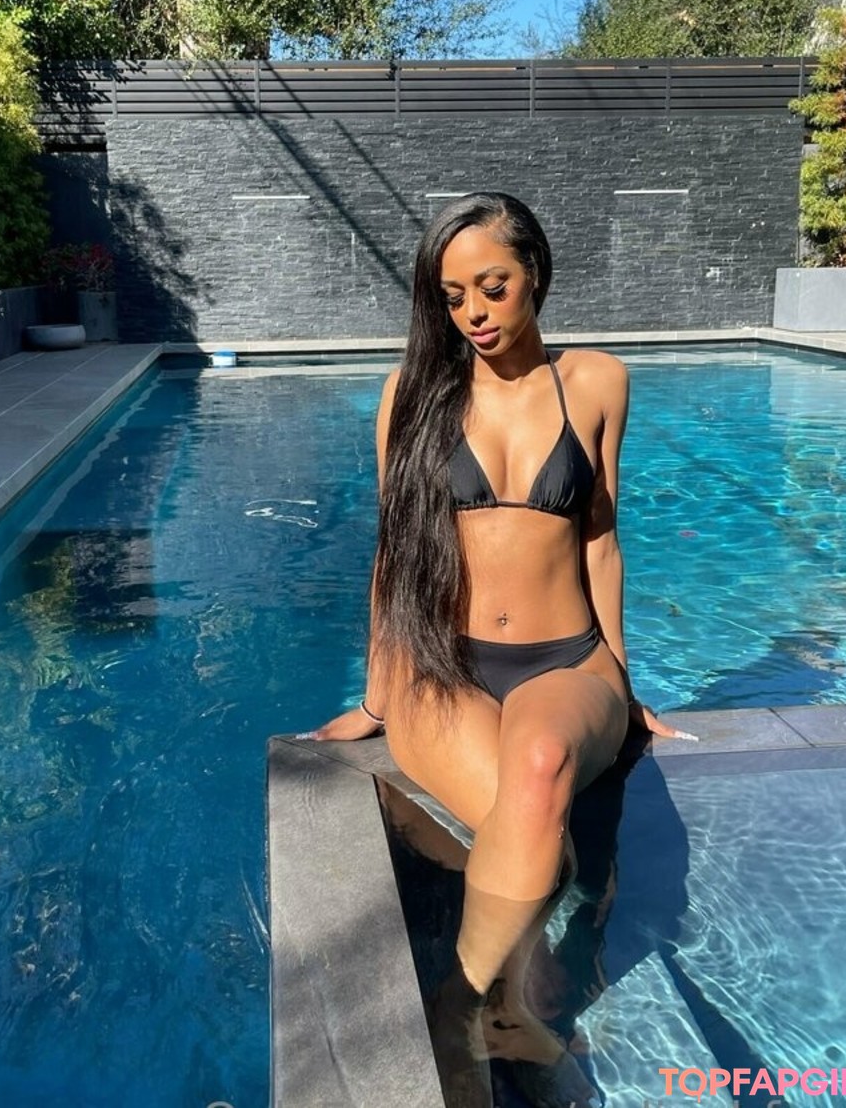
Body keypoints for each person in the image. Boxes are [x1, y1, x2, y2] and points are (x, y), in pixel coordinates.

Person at [311, 192, 691, 1095]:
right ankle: (515, 1007)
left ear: (535, 274)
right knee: (539, 843)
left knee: (542, 763)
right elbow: (393, 554)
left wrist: (621, 679)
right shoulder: (414, 397)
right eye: (453, 297)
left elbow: (600, 539)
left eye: (493, 286)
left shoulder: (595, 382)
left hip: (569, 656)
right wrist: (375, 696)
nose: (474, 313)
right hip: (446, 664)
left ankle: (458, 1007)